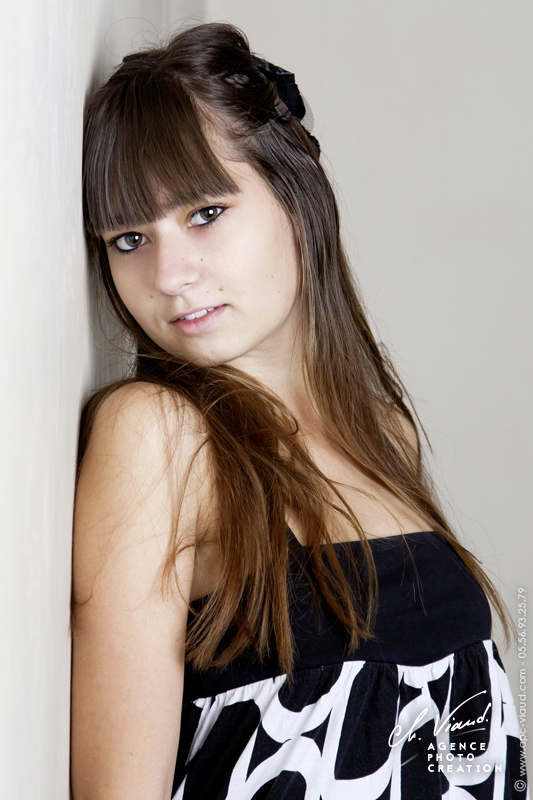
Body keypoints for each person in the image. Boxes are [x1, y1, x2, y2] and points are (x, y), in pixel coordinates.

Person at [71, 21, 527, 800]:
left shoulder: (382, 430)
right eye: (127, 238)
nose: (171, 274)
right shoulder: (158, 435)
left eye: (205, 213)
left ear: (295, 196)